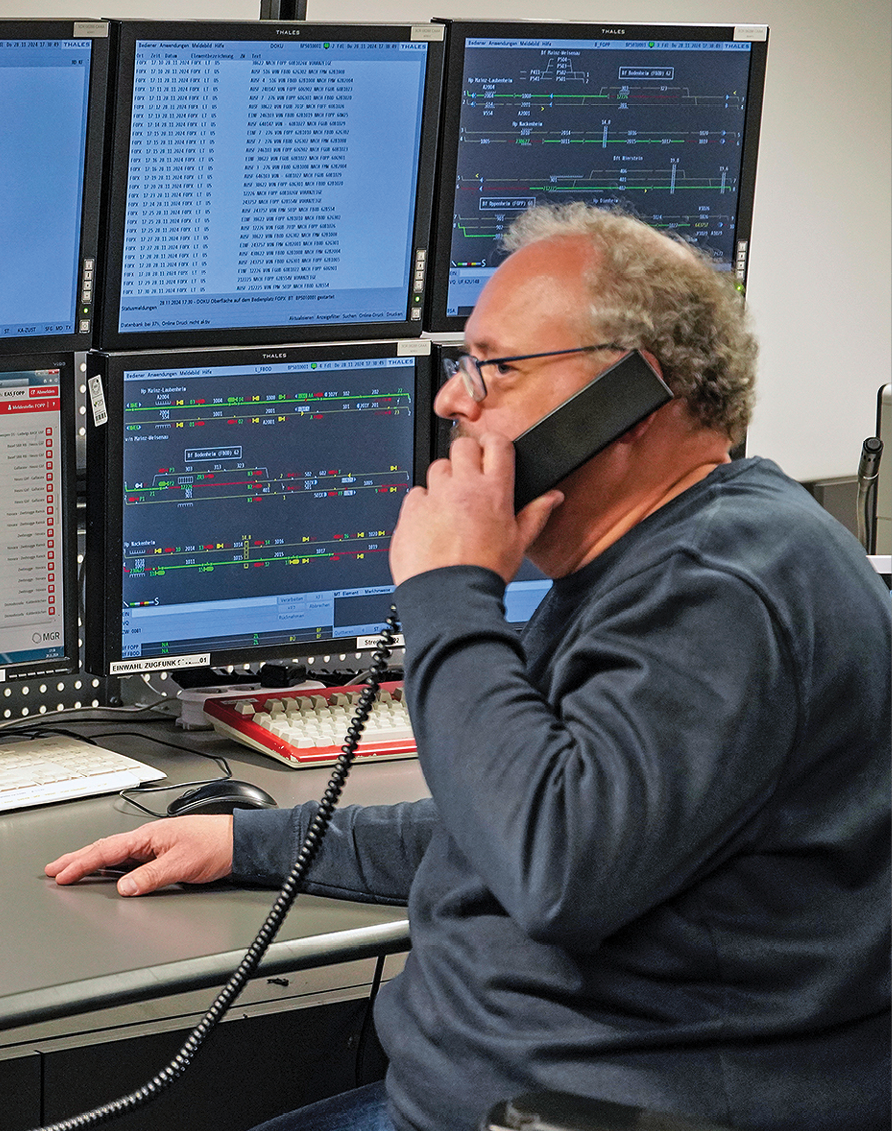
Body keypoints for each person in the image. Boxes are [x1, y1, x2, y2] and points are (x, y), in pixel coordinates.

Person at [46, 203, 891, 1130]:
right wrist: (251, 843)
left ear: (629, 393)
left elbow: (554, 865)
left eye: (495, 366)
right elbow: (500, 826)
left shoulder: (719, 590)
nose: (454, 399)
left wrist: (450, 588)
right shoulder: (676, 556)